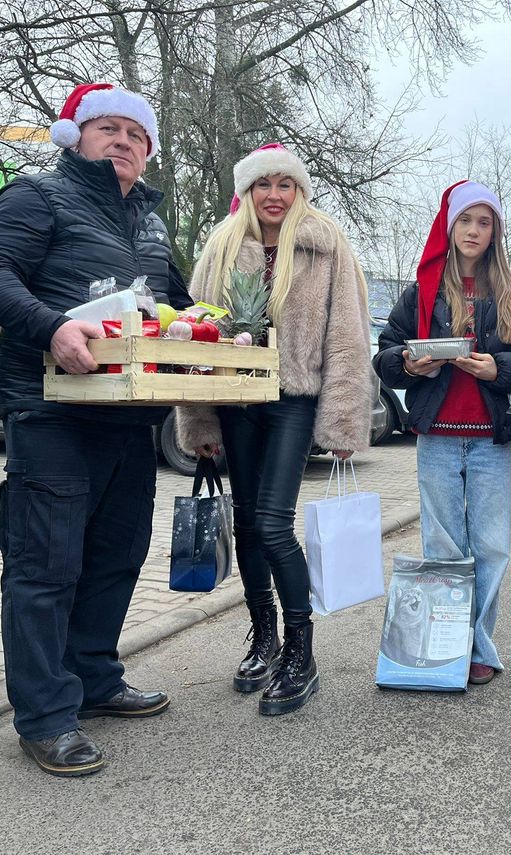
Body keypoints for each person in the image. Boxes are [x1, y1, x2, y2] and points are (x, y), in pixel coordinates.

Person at [0, 82, 194, 777]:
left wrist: (203, 329)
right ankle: (44, 715)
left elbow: (180, 301)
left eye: (137, 132)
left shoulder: (152, 224)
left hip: (130, 416)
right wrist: (53, 325)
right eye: (109, 128)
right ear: (76, 136)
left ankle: (94, 677)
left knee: (117, 554)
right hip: (52, 412)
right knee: (45, 565)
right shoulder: (38, 194)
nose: (124, 140)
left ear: (149, 150)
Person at [176, 143, 372, 716]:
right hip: (235, 398)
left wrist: (341, 420)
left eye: (285, 185)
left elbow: (347, 334)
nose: (275, 195)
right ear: (247, 192)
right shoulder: (222, 243)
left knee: (272, 522)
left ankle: (301, 652)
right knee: (245, 521)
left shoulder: (325, 242)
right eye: (264, 185)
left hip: (293, 397)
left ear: (299, 190)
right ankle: (264, 637)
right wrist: (199, 418)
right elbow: (194, 331)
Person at [373, 180, 511, 685]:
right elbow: (384, 357)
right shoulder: (422, 291)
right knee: (443, 546)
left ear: (495, 231)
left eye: (484, 221)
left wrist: (498, 368)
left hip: (492, 439)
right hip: (436, 436)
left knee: (491, 545)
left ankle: (478, 646)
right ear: (449, 227)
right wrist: (411, 364)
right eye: (465, 221)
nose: (474, 231)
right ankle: (448, 647)